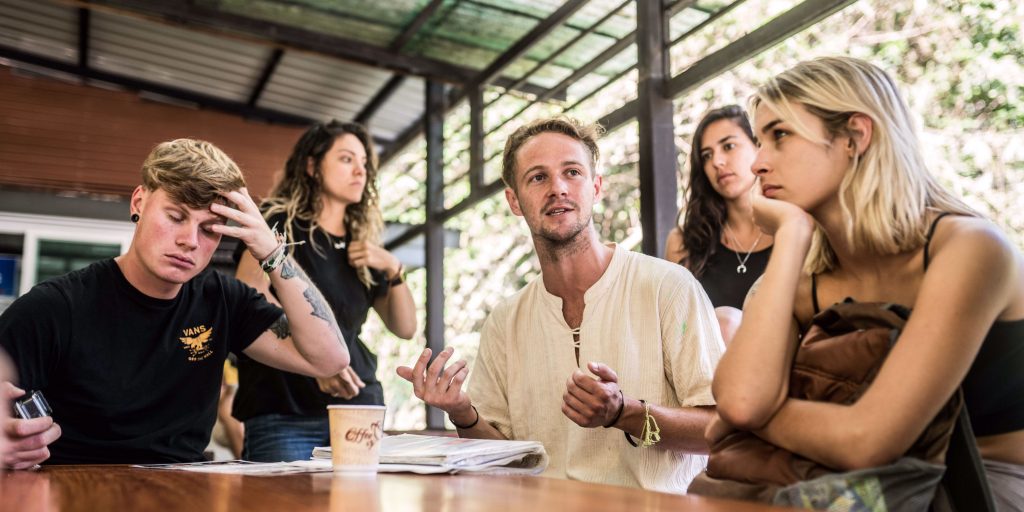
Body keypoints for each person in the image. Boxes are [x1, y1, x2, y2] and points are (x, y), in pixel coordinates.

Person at [709, 57, 1024, 509]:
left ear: (855, 136)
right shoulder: (807, 277)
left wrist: (760, 418)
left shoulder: (970, 248)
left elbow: (866, 440)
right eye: (759, 141)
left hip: (988, 483)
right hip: (860, 481)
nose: (757, 163)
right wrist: (793, 236)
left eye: (780, 135)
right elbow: (739, 401)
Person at [397, 117, 725, 493]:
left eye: (572, 172)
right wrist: (461, 412)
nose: (558, 188)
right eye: (537, 177)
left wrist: (625, 413)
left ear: (596, 186)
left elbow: (717, 432)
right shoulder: (506, 320)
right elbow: (505, 459)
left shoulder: (668, 287)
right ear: (514, 201)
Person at [0, 138, 350, 467]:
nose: (189, 241)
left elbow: (330, 359)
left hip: (183, 491)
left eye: (210, 229)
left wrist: (273, 254)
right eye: (176, 217)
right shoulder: (55, 307)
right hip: (79, 488)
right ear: (139, 202)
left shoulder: (222, 300)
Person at [232, 121, 416, 462]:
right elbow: (248, 297)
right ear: (313, 166)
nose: (360, 170)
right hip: (284, 408)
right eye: (347, 159)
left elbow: (405, 329)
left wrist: (393, 268)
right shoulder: (278, 222)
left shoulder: (363, 244)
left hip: (358, 409)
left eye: (364, 163)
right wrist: (317, 363)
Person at [665, 106, 773, 343]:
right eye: (707, 155)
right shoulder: (682, 244)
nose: (717, 161)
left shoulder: (794, 230)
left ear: (758, 146)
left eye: (728, 146)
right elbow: (675, 336)